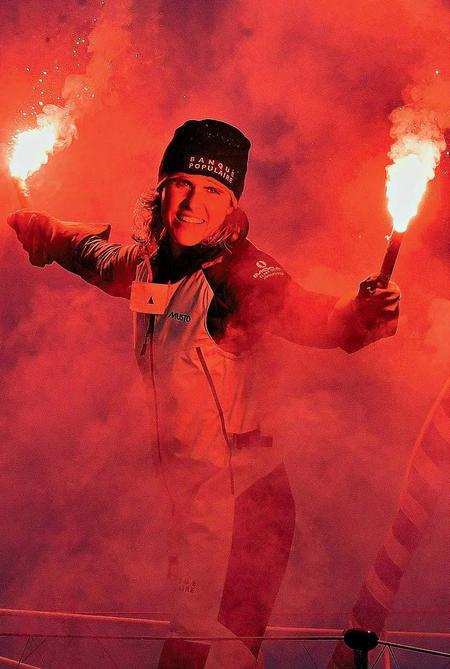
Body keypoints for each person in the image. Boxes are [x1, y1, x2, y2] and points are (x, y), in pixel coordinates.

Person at [8, 119, 400, 669]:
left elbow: (308, 314)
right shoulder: (149, 264)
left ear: (233, 203)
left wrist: (358, 313)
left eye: (214, 190)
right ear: (162, 188)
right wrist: (50, 234)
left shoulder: (240, 276)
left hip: (242, 510)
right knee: (202, 653)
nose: (194, 203)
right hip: (195, 506)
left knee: (200, 658)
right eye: (183, 183)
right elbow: (96, 258)